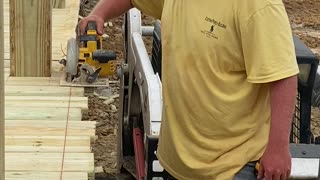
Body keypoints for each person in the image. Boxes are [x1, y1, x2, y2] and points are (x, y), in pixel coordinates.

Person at [79, 0, 299, 179]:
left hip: (233, 167)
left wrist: (278, 149)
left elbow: (282, 77)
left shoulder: (258, 6)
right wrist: (99, 14)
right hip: (178, 163)